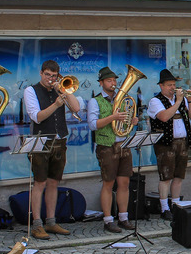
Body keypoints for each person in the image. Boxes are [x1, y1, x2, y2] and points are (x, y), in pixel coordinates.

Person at [23, 60, 81, 238]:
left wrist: (64, 90)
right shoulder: (30, 91)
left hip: (59, 141)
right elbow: (37, 117)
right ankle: (37, 224)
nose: (50, 79)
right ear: (41, 73)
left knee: (54, 182)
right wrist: (56, 104)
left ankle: (51, 221)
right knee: (39, 183)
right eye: (47, 75)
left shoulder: (60, 89)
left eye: (54, 76)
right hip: (41, 141)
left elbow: (76, 108)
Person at [87, 67, 138, 234]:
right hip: (106, 145)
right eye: (109, 81)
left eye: (115, 80)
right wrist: (113, 118)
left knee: (124, 183)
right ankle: (108, 220)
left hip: (123, 143)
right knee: (108, 183)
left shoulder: (122, 99)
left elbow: (127, 120)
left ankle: (123, 217)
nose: (114, 83)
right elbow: (93, 124)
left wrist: (132, 120)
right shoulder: (95, 101)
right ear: (101, 83)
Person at [147, 69, 191, 220]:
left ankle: (176, 206)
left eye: (174, 85)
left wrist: (189, 101)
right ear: (161, 86)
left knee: (178, 176)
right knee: (166, 177)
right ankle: (164, 208)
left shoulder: (182, 100)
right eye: (169, 85)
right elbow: (164, 117)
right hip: (165, 143)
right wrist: (178, 101)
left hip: (182, 142)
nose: (173, 88)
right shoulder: (155, 101)